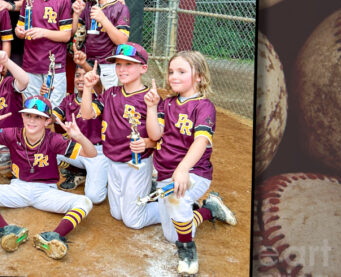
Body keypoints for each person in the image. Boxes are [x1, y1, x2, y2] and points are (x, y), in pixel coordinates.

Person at [0, 95, 97, 260]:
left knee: (84, 202)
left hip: (46, 192)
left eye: (38, 117)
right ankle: (7, 230)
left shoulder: (54, 140)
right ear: (22, 116)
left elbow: (91, 153)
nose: (32, 120)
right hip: (18, 188)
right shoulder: (12, 133)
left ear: (47, 121)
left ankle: (53, 237)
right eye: (28, 115)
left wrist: (79, 137)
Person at [144, 51, 237, 275]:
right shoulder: (167, 104)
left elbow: (201, 142)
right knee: (171, 234)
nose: (174, 76)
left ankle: (187, 250)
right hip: (168, 174)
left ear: (200, 77)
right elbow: (155, 135)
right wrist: (151, 107)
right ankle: (209, 210)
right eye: (171, 71)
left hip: (195, 172)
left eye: (182, 72)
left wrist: (183, 169)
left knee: (178, 198)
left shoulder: (204, 107)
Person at [79, 43, 159, 224]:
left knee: (133, 221)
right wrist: (87, 88)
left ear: (143, 68)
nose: (122, 69)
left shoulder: (150, 97)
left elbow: (158, 137)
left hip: (136, 163)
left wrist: (146, 142)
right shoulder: (111, 93)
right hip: (112, 161)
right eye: (118, 64)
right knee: (117, 214)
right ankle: (147, 194)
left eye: (128, 64)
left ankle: (175, 208)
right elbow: (86, 114)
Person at [40, 53, 101, 199]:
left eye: (85, 75)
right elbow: (50, 119)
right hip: (75, 150)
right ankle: (75, 172)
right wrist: (44, 99)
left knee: (94, 197)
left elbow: (98, 90)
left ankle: (97, 173)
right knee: (46, 143)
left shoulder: (101, 98)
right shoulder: (68, 99)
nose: (81, 79)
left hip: (96, 153)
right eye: (78, 75)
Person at [15, 0, 71, 109]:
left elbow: (66, 35)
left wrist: (43, 32)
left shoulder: (63, 0)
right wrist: (19, 31)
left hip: (54, 66)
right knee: (32, 108)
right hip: (31, 64)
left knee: (53, 110)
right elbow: (20, 29)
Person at [72, 0, 130, 90]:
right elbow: (74, 35)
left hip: (107, 65)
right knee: (83, 102)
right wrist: (76, 15)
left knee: (105, 102)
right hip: (85, 63)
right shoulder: (87, 6)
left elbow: (122, 41)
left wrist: (103, 19)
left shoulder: (120, 8)